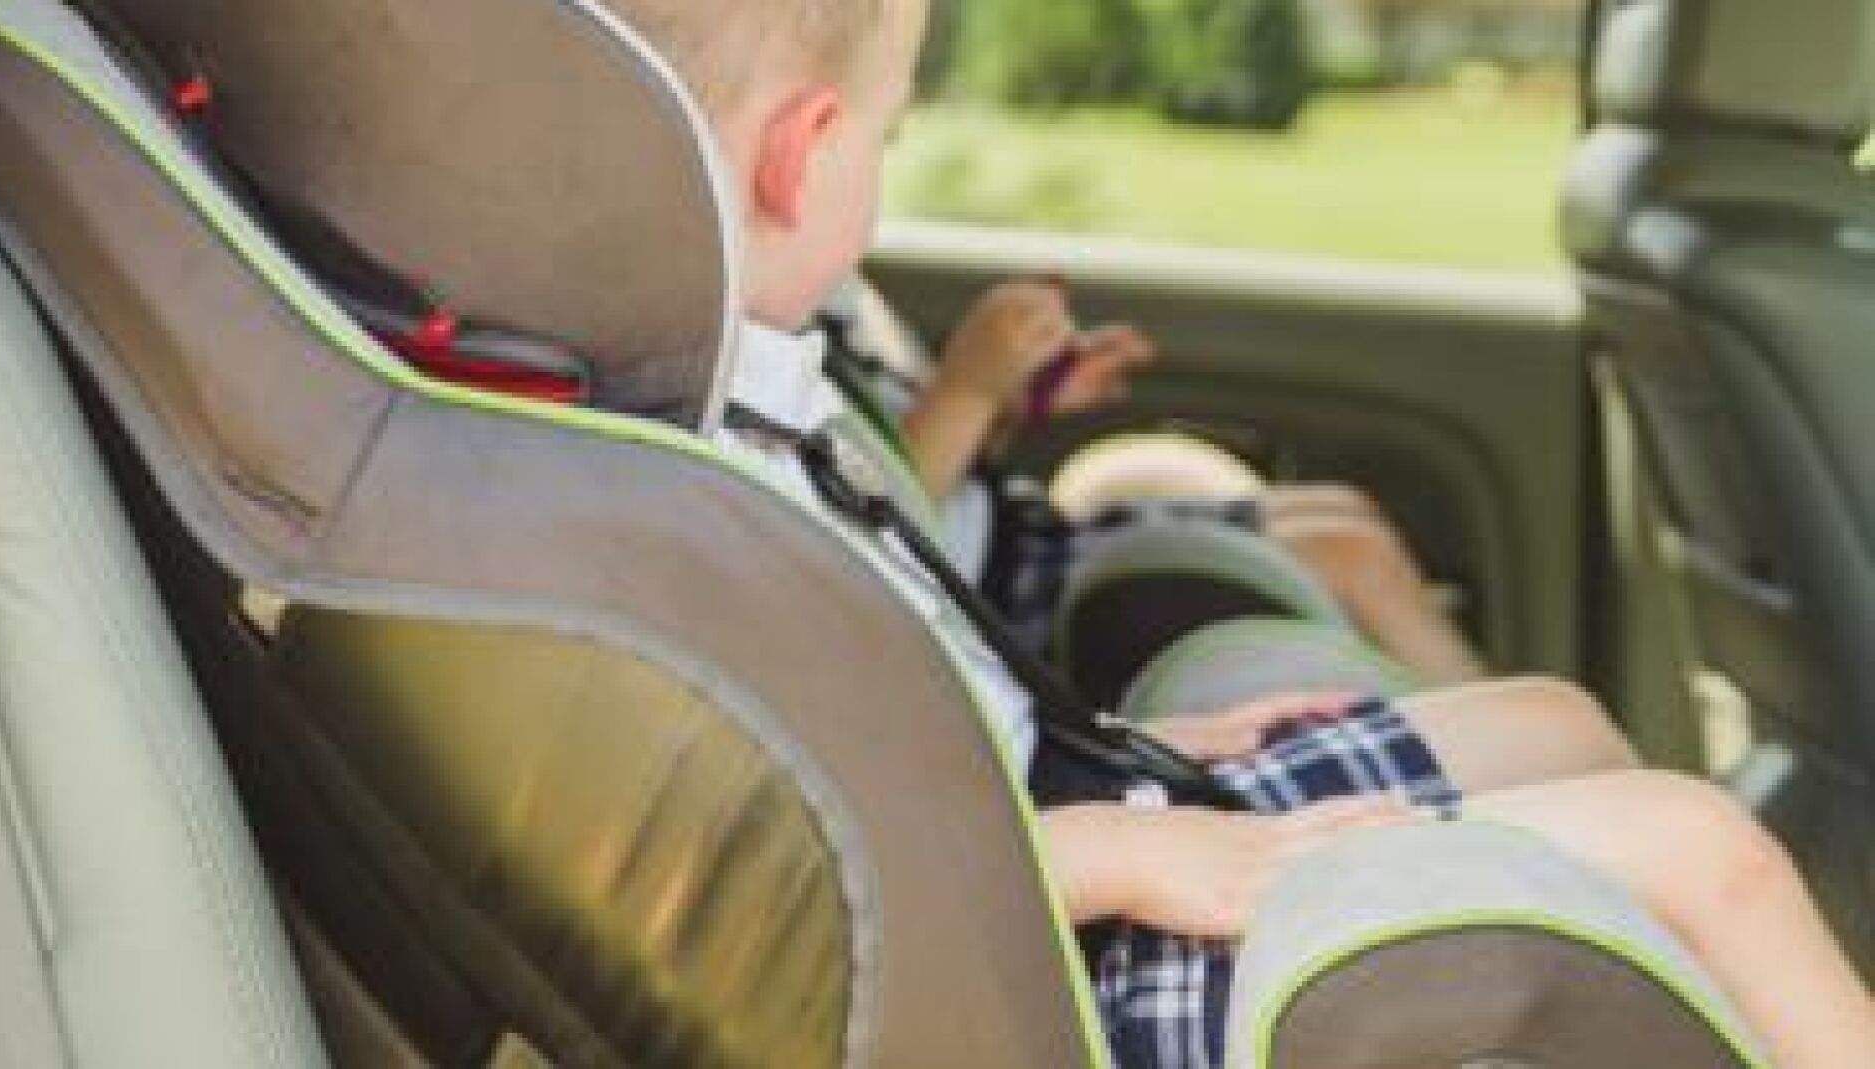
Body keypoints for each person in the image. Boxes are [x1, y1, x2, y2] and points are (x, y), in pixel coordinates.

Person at [604, 0, 1875, 1063]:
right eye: (887, 138)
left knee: (1564, 727)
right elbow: (762, 874)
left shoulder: (732, 414)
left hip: (1050, 842)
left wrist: (1107, 748)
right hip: (1054, 966)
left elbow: (900, 704)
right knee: (1705, 853)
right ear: (801, 155)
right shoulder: (693, 486)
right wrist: (1115, 847)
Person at [834, 274, 1489, 685]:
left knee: (1345, 513)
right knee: (1351, 553)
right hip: (988, 603)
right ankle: (1490, 744)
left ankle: (1466, 707)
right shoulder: (788, 347)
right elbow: (874, 520)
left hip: (1017, 533)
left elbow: (925, 461)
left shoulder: (840, 310)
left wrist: (1010, 405)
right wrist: (968, 388)